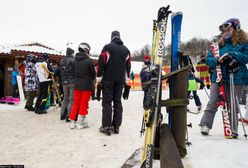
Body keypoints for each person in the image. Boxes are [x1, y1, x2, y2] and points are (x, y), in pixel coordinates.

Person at [199, 18, 248, 137]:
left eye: (228, 29)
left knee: (233, 103)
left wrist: (233, 56)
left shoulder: (244, 43)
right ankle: (205, 124)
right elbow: (209, 60)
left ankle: (233, 128)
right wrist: (218, 60)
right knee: (213, 101)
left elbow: (246, 56)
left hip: (237, 77)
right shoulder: (218, 45)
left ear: (236, 29)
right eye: (224, 31)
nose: (225, 32)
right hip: (219, 76)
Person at [97, 30, 131, 135]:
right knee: (117, 102)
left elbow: (101, 63)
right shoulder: (126, 50)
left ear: (111, 37)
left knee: (107, 102)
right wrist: (126, 83)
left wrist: (99, 80)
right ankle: (116, 126)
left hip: (108, 79)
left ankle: (106, 126)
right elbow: (128, 68)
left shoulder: (107, 47)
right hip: (120, 81)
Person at [69, 42, 96, 129]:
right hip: (87, 86)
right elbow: (93, 73)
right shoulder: (89, 61)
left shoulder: (74, 60)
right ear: (86, 50)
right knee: (84, 103)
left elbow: (73, 73)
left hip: (77, 85)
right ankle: (80, 122)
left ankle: (72, 122)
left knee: (76, 103)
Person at [59, 47, 75, 121]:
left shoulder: (62, 60)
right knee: (71, 99)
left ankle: (62, 114)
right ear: (71, 53)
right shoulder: (73, 60)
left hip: (64, 82)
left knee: (65, 98)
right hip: (72, 82)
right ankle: (69, 115)